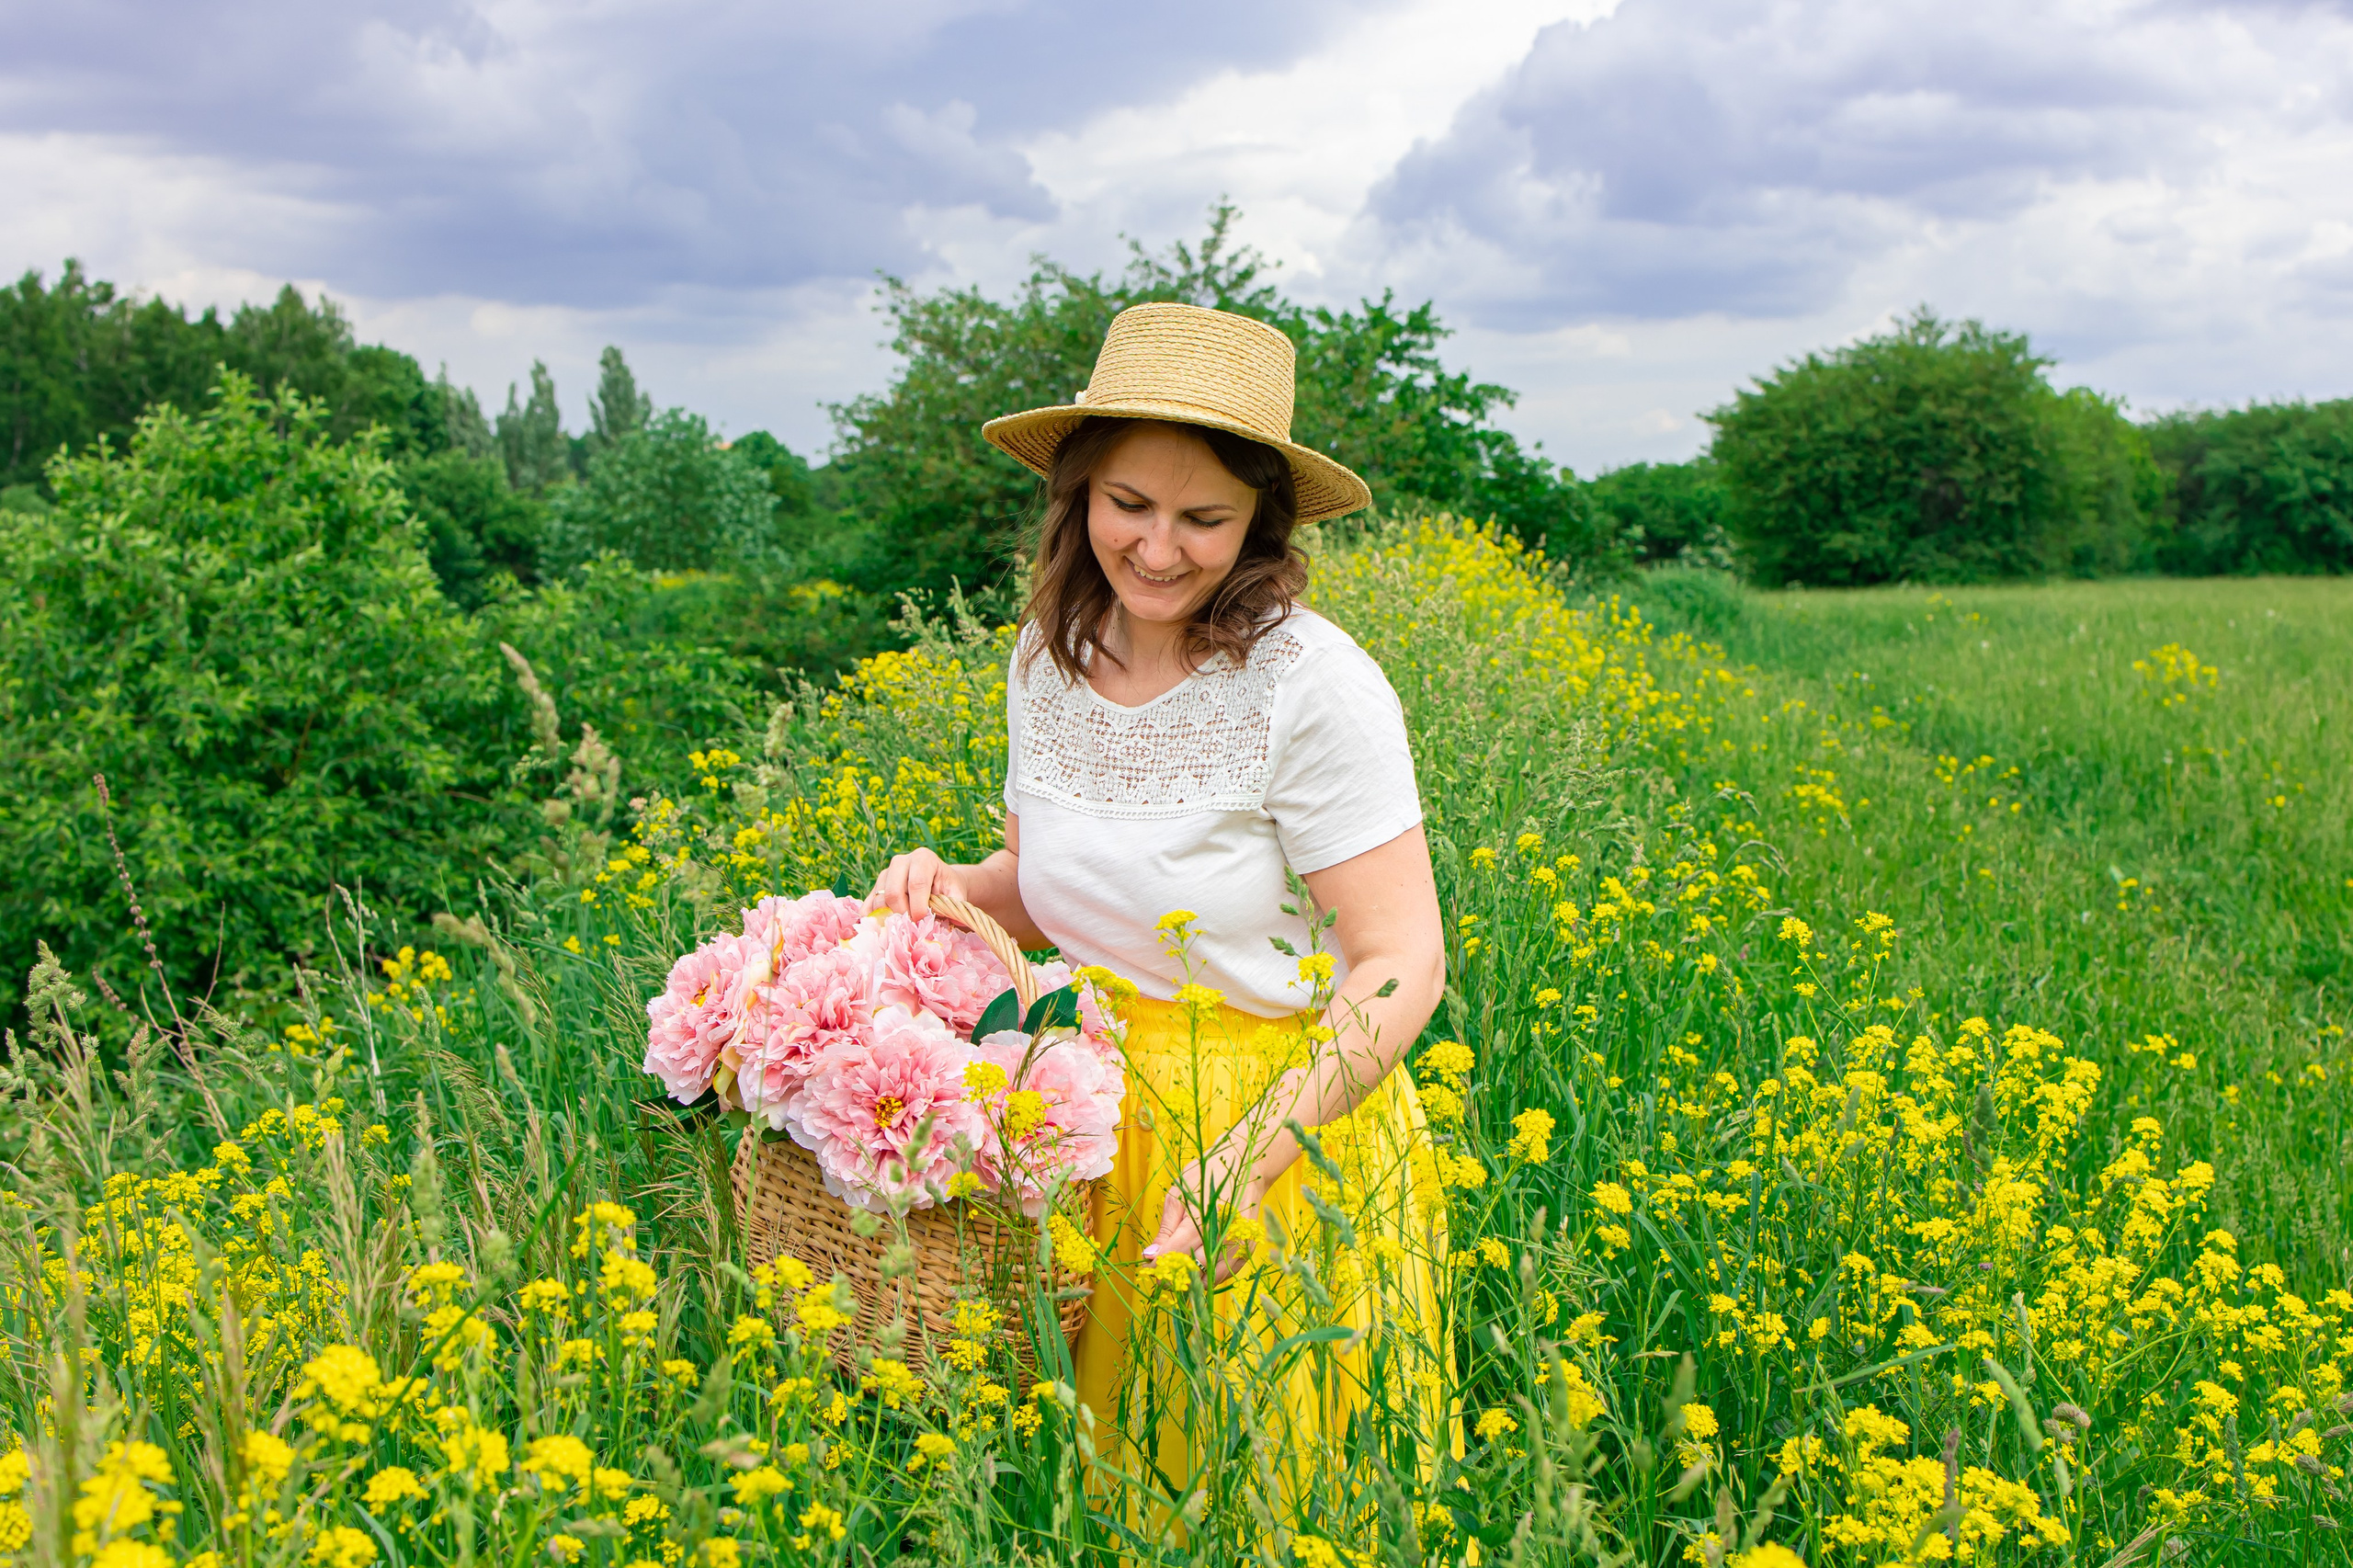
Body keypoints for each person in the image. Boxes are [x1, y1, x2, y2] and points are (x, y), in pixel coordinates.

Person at [870, 301, 1449, 1504]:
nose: (1161, 548)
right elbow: (1040, 896)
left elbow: (1399, 962)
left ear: (1263, 526)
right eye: (1129, 503)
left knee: (1243, 1499)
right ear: (1077, 492)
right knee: (1080, 1499)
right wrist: (943, 887)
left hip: (1266, 1144)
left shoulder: (1314, 688)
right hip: (1077, 1123)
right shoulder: (1049, 655)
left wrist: (1254, 1152)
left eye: (1207, 519)